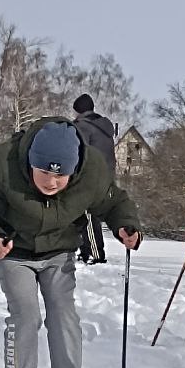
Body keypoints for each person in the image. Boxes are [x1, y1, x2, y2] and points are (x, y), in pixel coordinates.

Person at [0, 117, 142, 368]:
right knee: (25, 315)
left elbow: (113, 202)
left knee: (63, 312)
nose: (52, 182)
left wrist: (126, 225)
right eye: (44, 172)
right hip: (14, 251)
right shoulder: (2, 164)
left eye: (61, 175)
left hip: (59, 252)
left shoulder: (92, 171)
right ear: (31, 162)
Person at [72, 93, 116, 264]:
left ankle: (94, 253)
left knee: (88, 215)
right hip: (106, 176)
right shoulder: (104, 128)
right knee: (89, 214)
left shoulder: (83, 127)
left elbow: (79, 152)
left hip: (89, 176)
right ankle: (86, 251)